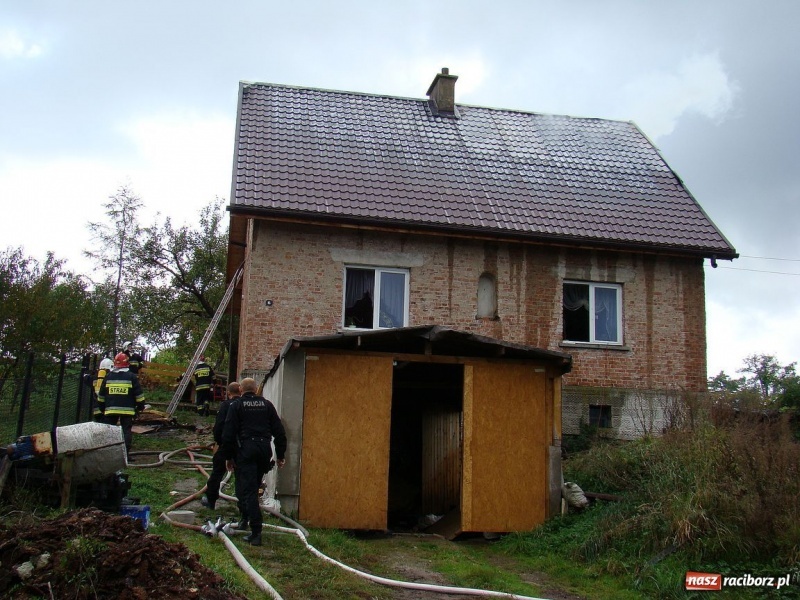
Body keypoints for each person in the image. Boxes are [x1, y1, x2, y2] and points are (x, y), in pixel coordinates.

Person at [221, 377, 287, 546]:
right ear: (256, 389)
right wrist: (280, 455)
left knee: (247, 490)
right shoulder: (267, 405)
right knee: (252, 486)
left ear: (241, 391)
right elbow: (279, 432)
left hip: (246, 450)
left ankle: (256, 531)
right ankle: (245, 519)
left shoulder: (236, 406)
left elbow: (228, 434)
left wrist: (228, 457)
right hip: (264, 450)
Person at [202, 381, 242, 511]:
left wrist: (218, 441)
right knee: (241, 475)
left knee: (217, 472)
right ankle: (242, 504)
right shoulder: (243, 405)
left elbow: (219, 426)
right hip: (242, 446)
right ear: (240, 391)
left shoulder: (225, 405)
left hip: (226, 444)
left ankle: (210, 500)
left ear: (228, 393)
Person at [99, 352, 145, 460]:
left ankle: (108, 455)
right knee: (126, 431)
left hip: (110, 410)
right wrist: (140, 406)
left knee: (109, 431)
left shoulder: (108, 376)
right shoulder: (131, 377)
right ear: (127, 364)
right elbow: (138, 394)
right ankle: (125, 455)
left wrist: (102, 409)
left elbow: (101, 396)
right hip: (127, 410)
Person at [92, 356, 114, 421]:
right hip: (107, 408)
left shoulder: (95, 377)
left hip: (96, 409)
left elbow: (86, 379)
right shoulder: (110, 377)